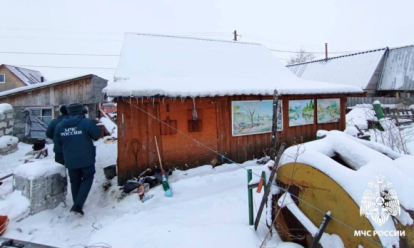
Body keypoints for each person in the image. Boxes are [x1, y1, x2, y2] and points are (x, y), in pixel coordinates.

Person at [53, 103, 101, 216]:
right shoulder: (86, 122)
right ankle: (78, 205)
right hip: (86, 158)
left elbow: (57, 146)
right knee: (88, 177)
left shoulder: (60, 126)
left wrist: (61, 158)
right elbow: (96, 135)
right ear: (81, 111)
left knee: (75, 180)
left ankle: (77, 203)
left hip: (70, 159)